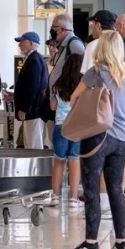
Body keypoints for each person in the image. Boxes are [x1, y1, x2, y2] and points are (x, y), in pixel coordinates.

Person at [64, 31, 125, 249]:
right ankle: (121, 243)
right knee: (116, 191)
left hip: (99, 136)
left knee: (91, 189)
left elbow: (74, 97)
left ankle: (91, 243)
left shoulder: (96, 72)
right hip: (123, 138)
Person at [50, 53, 83, 206]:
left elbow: (53, 106)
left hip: (60, 126)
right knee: (74, 160)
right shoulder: (83, 85)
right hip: (77, 126)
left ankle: (55, 196)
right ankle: (73, 197)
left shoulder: (57, 84)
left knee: (59, 161)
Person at [13, 32, 48, 150]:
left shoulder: (34, 60)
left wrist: (25, 108)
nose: (20, 45)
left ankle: (37, 169)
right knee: (30, 145)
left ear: (32, 43)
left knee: (33, 146)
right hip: (33, 111)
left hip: (34, 111)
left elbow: (33, 87)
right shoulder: (33, 59)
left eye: (22, 42)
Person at [48, 14, 85, 108]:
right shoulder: (64, 45)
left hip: (64, 102)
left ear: (63, 29)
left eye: (54, 28)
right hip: (58, 99)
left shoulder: (74, 44)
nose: (52, 31)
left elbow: (79, 73)